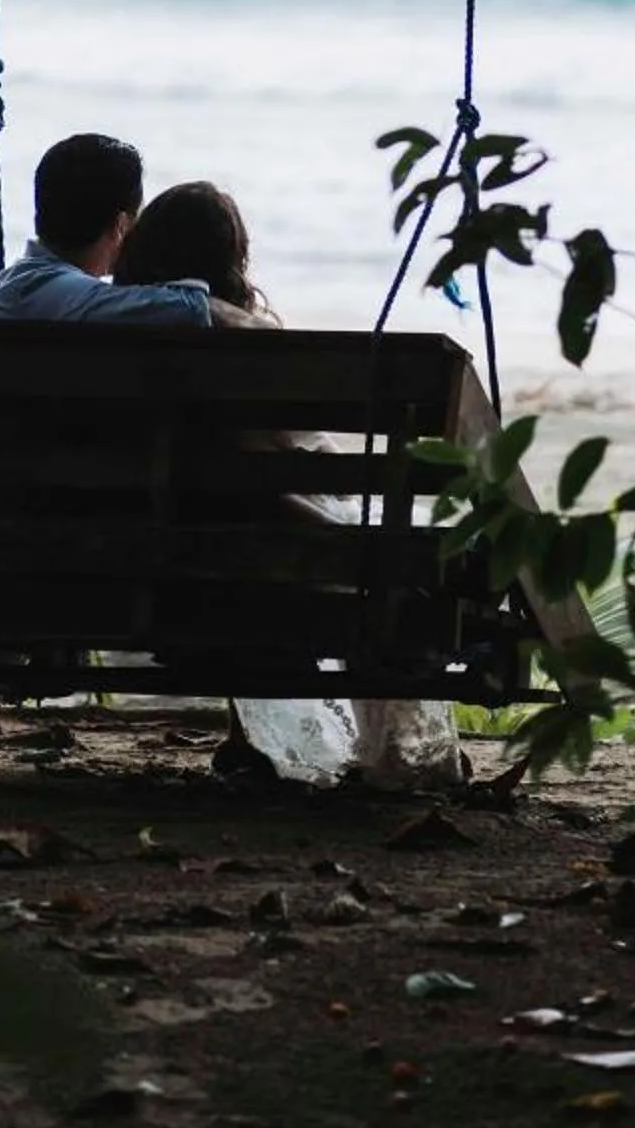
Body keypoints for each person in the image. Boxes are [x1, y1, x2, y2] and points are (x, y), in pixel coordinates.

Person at [113, 180, 462, 790]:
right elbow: (296, 446)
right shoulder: (242, 342)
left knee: (248, 514)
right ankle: (396, 756)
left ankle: (253, 740)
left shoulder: (103, 337)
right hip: (256, 566)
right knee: (373, 557)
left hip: (142, 570)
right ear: (232, 258)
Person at [0, 132, 212, 325]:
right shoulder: (48, 292)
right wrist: (216, 306)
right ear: (120, 224)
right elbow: (187, 309)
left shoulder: (26, 284)